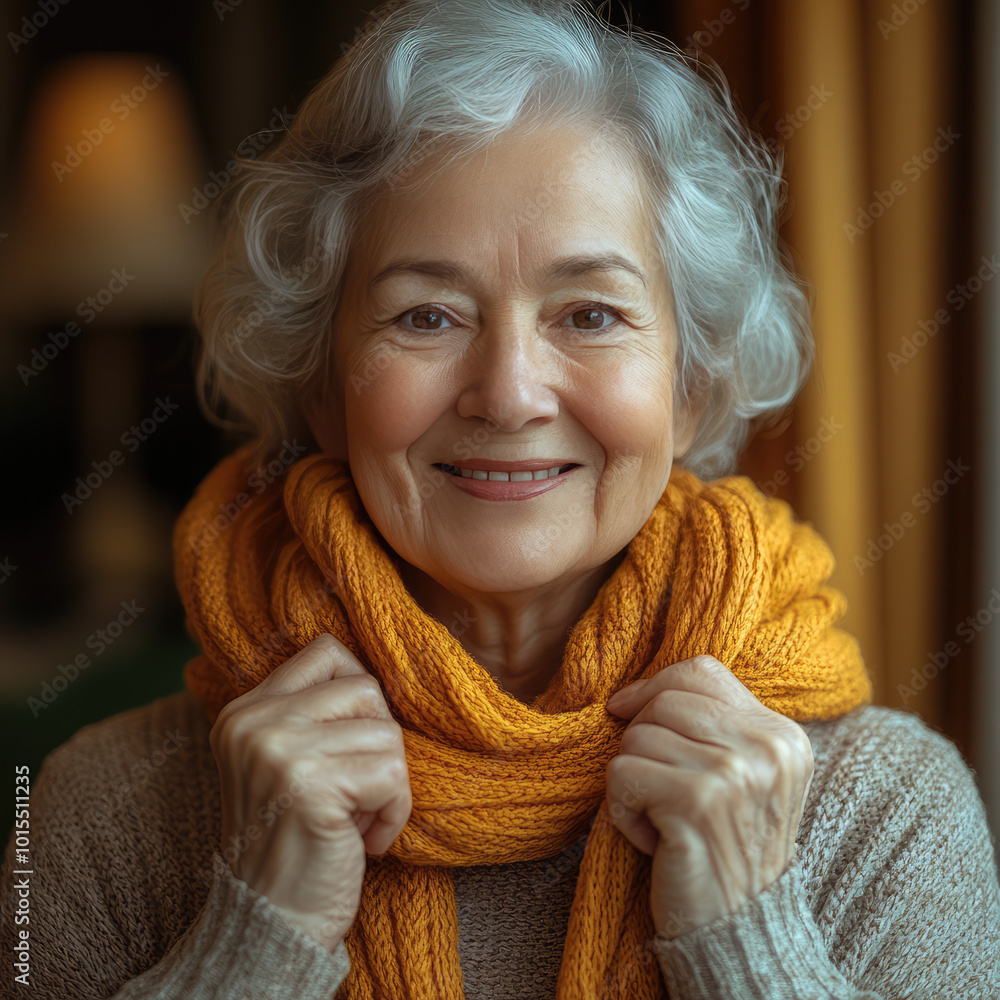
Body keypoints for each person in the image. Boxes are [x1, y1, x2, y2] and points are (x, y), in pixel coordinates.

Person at [4, 1, 999, 997]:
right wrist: (253, 939)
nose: (510, 392)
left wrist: (746, 940)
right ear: (320, 381)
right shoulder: (101, 809)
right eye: (426, 313)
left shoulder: (888, 813)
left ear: (690, 387)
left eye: (591, 313)